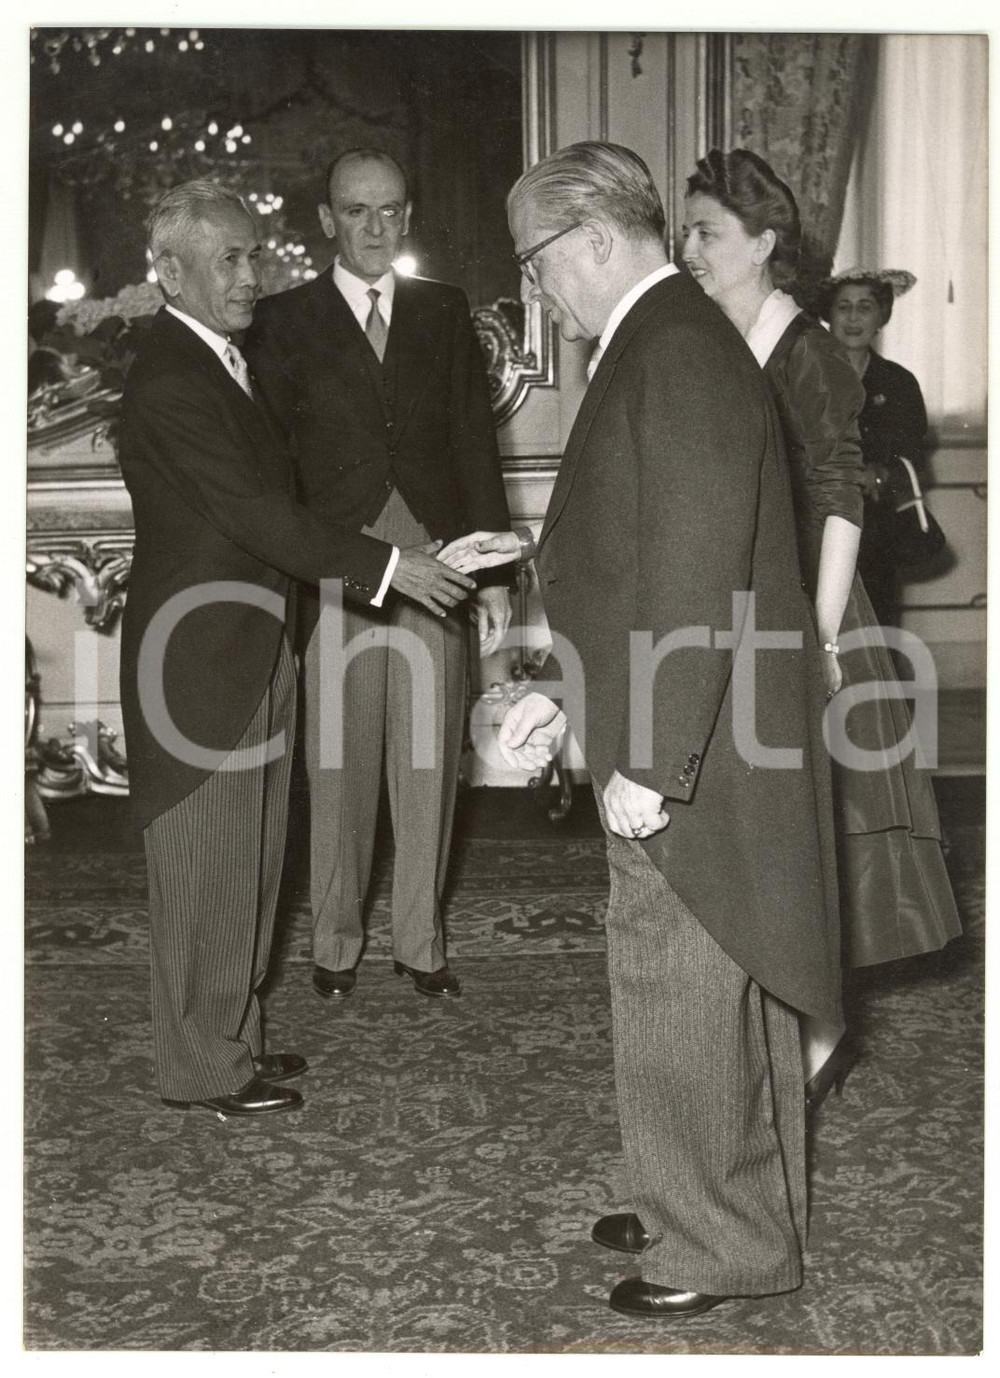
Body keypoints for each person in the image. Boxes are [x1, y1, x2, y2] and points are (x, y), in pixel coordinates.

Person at [447, 140, 842, 1319]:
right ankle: (705, 1205)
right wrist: (565, 678)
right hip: (699, 715)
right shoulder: (668, 339)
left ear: (597, 239)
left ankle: (715, 1245)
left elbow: (693, 570)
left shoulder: (670, 347)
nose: (537, 293)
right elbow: (637, 549)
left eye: (536, 262)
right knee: (726, 985)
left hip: (696, 735)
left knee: (679, 982)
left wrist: (649, 759)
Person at [119, 180, 475, 1117]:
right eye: (229, 260)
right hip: (197, 664)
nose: (251, 276)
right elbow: (257, 513)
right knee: (204, 871)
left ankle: (231, 1046)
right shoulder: (169, 377)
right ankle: (202, 1069)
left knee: (250, 865)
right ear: (170, 272)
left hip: (253, 644)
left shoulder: (221, 359)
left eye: (253, 255)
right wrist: (389, 565)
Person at [681, 147, 961, 1096]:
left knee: (824, 833)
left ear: (763, 243)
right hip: (744, 606)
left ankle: (818, 1035)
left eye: (707, 233)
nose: (689, 250)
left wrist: (826, 638)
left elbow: (843, 502)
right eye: (687, 230)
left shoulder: (805, 352)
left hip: (813, 610)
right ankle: (787, 1025)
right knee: (774, 837)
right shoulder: (720, 335)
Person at [246, 149, 511, 1002]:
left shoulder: (443, 309)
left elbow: (476, 442)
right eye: (356, 211)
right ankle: (334, 942)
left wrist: (498, 572)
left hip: (436, 558)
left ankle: (420, 943)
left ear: (408, 217)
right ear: (326, 219)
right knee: (339, 765)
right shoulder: (282, 319)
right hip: (339, 563)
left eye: (390, 211)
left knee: (429, 760)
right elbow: (272, 466)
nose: (374, 227)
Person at [821, 267, 929, 628]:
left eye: (864, 307)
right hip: (819, 522)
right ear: (828, 314)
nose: (853, 317)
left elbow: (913, 457)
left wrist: (880, 475)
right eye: (843, 306)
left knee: (877, 627)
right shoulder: (807, 375)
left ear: (881, 315)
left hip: (878, 528)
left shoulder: (899, 383)